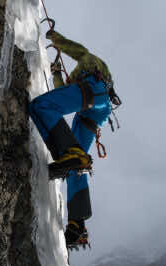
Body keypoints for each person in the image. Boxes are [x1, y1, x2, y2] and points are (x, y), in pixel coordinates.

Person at [29, 29, 119, 248]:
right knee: (75, 165)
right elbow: (67, 95)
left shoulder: (91, 63)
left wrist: (56, 39)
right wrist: (57, 74)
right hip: (95, 111)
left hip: (94, 92)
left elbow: (78, 51)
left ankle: (72, 153)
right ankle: (77, 225)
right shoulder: (82, 83)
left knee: (41, 105)